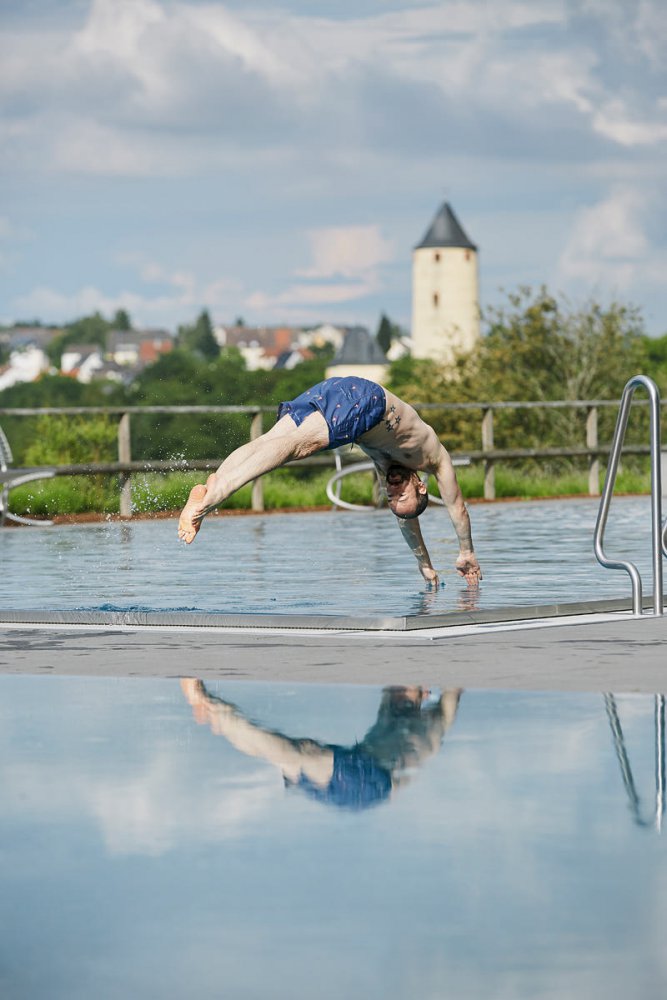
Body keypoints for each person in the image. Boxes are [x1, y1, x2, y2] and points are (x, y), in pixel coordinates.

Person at [178, 376, 482, 587]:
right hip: (367, 402)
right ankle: (208, 502)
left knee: (275, 439)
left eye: (391, 497)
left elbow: (405, 521)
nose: (393, 490)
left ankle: (215, 483)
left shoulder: (385, 465)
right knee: (298, 446)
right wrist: (466, 551)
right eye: (402, 494)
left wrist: (425, 563)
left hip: (338, 390)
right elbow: (458, 508)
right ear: (421, 486)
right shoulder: (434, 458)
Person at [180, 679, 462, 811]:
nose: (392, 689)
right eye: (395, 689)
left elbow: (452, 691)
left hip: (369, 783)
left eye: (399, 688)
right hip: (368, 783)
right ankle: (216, 715)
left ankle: (210, 707)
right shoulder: (418, 724)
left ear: (424, 692)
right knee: (289, 757)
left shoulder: (428, 729)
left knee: (294, 756)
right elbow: (451, 692)